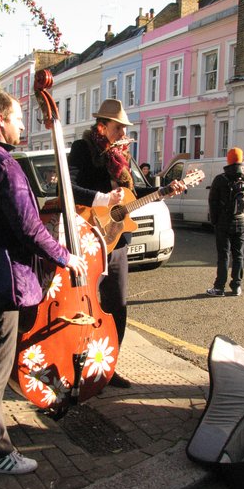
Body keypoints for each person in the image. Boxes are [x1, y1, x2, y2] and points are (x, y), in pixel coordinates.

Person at [0, 89, 86, 475]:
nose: (22, 124)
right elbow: (29, 228)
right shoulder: (4, 165)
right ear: (0, 121)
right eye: (17, 118)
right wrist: (65, 256)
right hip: (1, 275)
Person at [68, 99, 184, 388]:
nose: (123, 133)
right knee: (86, 306)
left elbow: (132, 194)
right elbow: (68, 188)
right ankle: (76, 364)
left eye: (124, 128)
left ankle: (108, 367)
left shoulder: (121, 155)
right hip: (89, 237)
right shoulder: (83, 149)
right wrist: (103, 199)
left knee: (117, 305)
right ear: (102, 126)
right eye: (119, 127)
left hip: (117, 241)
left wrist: (164, 190)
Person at [206, 147, 244, 297]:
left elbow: (212, 201)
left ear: (228, 160)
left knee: (223, 255)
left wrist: (214, 221)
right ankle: (236, 286)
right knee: (238, 254)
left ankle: (219, 287)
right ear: (241, 161)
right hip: (241, 220)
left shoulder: (221, 179)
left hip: (224, 221)